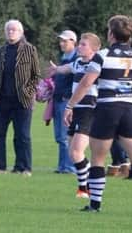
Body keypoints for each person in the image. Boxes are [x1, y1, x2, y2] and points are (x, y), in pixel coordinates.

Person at [64, 15, 132, 212]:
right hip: (130, 110)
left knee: (98, 158)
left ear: (111, 34)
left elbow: (87, 83)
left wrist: (70, 105)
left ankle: (95, 205)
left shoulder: (103, 55)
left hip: (107, 110)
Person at [51, 33, 101, 198]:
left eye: (83, 44)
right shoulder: (78, 62)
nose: (79, 47)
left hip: (89, 111)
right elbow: (67, 68)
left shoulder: (98, 64)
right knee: (74, 153)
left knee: (76, 152)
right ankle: (87, 185)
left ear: (94, 48)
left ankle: (84, 188)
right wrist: (56, 69)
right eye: (80, 44)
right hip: (75, 110)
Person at [0, 19, 40, 176]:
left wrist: (29, 92)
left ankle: (23, 167)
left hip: (22, 100)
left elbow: (36, 75)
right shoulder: (0, 51)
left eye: (14, 30)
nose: (11, 32)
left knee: (22, 135)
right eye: (9, 30)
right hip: (3, 99)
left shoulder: (30, 49)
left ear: (21, 32)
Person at [50, 30, 78, 173]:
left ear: (73, 41)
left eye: (65, 41)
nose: (61, 43)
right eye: (61, 41)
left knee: (65, 136)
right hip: (58, 100)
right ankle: (62, 166)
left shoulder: (77, 58)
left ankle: (69, 167)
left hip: (66, 101)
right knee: (60, 136)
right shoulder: (65, 57)